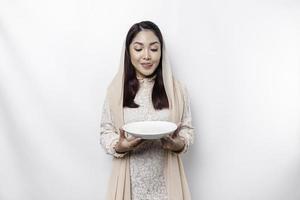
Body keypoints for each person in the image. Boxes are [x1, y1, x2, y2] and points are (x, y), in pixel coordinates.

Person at [99, 21, 194, 200]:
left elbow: (187, 131)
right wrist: (119, 146)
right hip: (129, 184)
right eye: (138, 48)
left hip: (167, 184)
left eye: (153, 48)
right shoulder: (115, 91)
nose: (147, 56)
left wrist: (178, 144)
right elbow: (105, 131)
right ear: (128, 52)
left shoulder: (177, 90)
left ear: (162, 52)